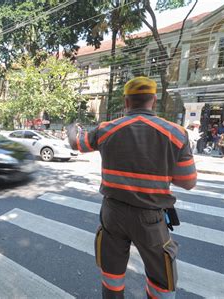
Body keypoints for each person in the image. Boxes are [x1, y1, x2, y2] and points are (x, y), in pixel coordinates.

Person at [67, 77, 196, 299]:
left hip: (113, 214)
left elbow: (76, 143)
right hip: (151, 218)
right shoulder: (175, 133)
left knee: (112, 275)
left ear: (126, 102)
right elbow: (188, 181)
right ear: (153, 100)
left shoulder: (106, 129)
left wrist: (72, 127)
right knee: (161, 281)